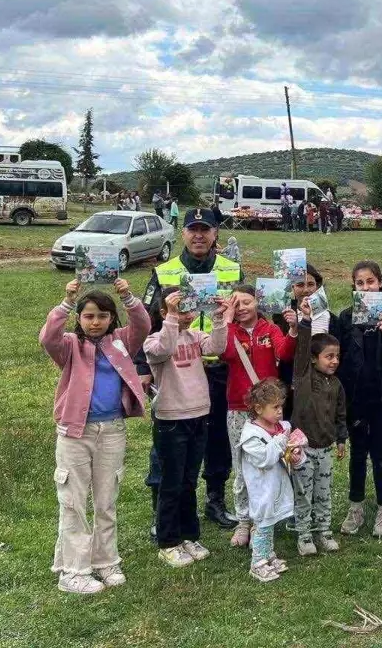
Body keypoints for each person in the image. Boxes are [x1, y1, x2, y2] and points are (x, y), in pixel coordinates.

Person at [39, 277, 149, 594]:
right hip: (76, 432)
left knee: (106, 499)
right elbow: (49, 338)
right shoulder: (71, 345)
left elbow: (142, 324)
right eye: (88, 316)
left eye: (102, 316)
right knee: (73, 501)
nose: (96, 322)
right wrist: (66, 302)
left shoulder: (121, 342)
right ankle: (73, 571)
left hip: (112, 429)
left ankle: (105, 560)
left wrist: (127, 296)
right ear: (80, 319)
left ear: (112, 318)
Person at [138, 208, 242, 535]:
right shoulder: (165, 270)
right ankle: (161, 506)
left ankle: (215, 499)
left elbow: (246, 314)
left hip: (219, 367)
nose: (199, 235)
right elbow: (146, 321)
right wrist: (143, 367)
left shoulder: (232, 270)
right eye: (192, 229)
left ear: (215, 234)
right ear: (182, 233)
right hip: (173, 368)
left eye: (205, 229)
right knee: (168, 441)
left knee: (218, 439)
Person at [143, 288, 229, 567]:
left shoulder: (196, 336)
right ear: (164, 312)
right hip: (170, 420)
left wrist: (218, 318)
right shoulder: (154, 340)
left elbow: (216, 348)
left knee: (189, 481)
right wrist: (170, 316)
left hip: (198, 415)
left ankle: (189, 535)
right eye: (181, 309)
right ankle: (168, 541)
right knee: (171, 482)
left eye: (190, 308)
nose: (187, 314)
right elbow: (163, 351)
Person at [219, 285, 298, 548]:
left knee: (273, 463)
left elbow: (284, 352)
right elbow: (227, 353)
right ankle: (244, 519)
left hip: (269, 410)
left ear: (258, 303)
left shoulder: (269, 329)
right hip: (239, 409)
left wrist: (294, 330)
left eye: (246, 302)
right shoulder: (230, 329)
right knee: (242, 465)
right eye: (236, 304)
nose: (241, 308)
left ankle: (264, 518)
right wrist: (227, 322)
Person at [333, 260, 382, 538]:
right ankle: (355, 506)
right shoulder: (346, 317)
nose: (366, 287)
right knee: (358, 455)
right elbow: (338, 356)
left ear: (380, 283)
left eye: (370, 281)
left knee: (381, 454)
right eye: (360, 283)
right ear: (353, 286)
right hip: (356, 399)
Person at [290, 300, 348, 557]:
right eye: (329, 356)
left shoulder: (336, 385)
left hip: (325, 448)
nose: (334, 361)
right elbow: (302, 348)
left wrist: (341, 440)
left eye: (337, 356)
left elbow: (340, 415)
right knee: (303, 493)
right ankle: (303, 536)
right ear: (314, 359)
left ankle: (324, 532)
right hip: (302, 449)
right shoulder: (304, 377)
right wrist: (305, 322)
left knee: (323, 493)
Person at [238, 378, 296, 583]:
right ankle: (258, 562)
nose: (280, 411)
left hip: (275, 486)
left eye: (282, 406)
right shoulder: (251, 435)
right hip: (262, 489)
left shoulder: (278, 427)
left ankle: (268, 554)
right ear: (259, 408)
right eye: (276, 407)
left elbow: (283, 455)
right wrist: (281, 441)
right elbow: (264, 458)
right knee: (263, 524)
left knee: (270, 522)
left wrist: (294, 454)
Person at [273, 263, 330, 421]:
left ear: (318, 286)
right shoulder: (281, 315)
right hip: (290, 383)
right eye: (300, 284)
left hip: (318, 381)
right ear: (291, 288)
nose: (306, 290)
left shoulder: (329, 316)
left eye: (311, 284)